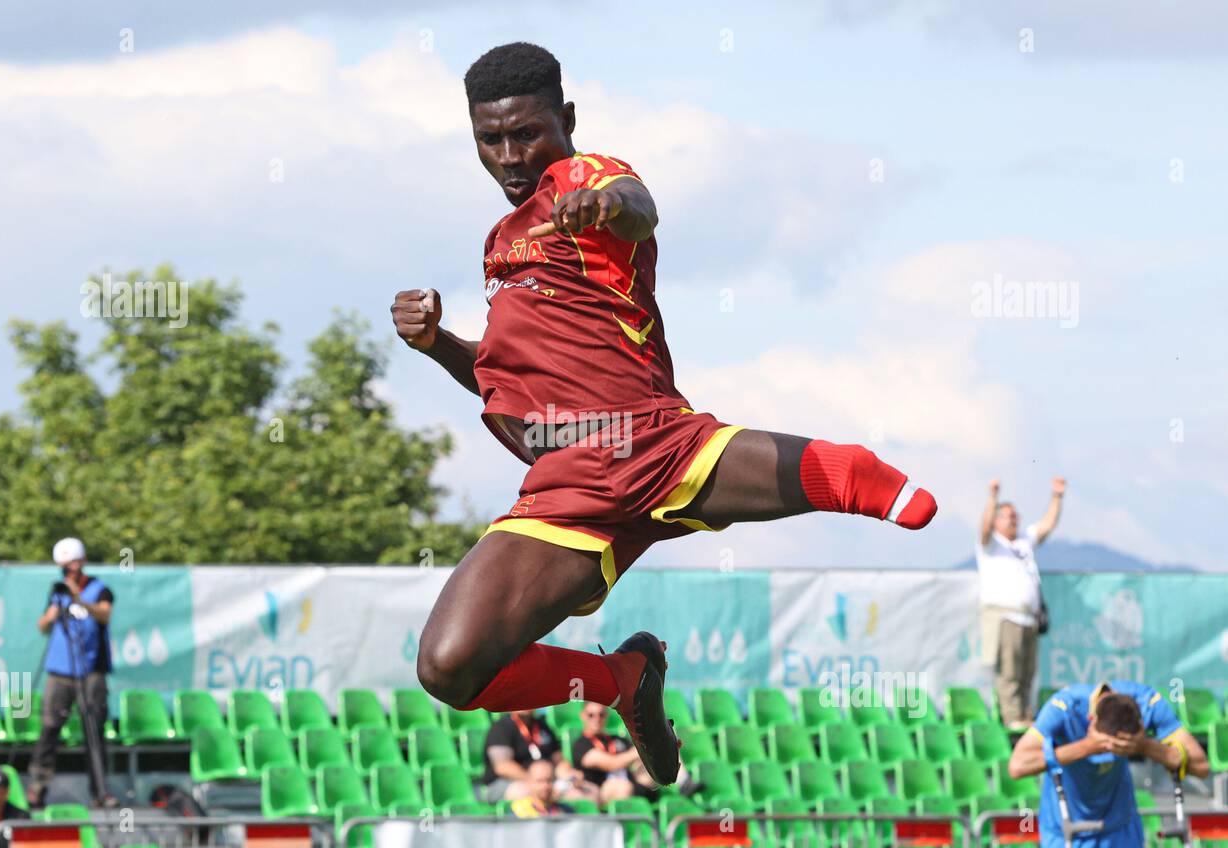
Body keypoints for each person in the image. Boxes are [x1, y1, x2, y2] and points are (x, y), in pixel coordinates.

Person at [390, 41, 937, 788]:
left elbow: (640, 211)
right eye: (492, 139)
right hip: (568, 480)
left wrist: (606, 205)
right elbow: (503, 388)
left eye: (528, 133)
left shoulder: (585, 179)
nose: (512, 155)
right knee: (449, 667)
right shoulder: (500, 245)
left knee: (814, 476)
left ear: (567, 120)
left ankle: (849, 472)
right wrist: (436, 345)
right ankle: (620, 680)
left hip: (648, 443)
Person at [1008, 681, 1209, 848]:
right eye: (1107, 748)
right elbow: (1017, 766)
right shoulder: (1063, 706)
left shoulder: (1148, 702)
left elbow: (1201, 766)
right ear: (1090, 720)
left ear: (1141, 725)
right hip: (1066, 827)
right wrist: (1088, 746)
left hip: (1120, 825)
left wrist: (1145, 746)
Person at [28, 537, 117, 808]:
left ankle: (100, 792)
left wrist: (80, 601)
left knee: (93, 731)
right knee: (49, 729)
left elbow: (104, 615)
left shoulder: (99, 589)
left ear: (83, 563)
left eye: (74, 565)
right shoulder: (57, 591)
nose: (70, 572)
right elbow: (42, 626)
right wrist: (52, 614)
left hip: (90, 670)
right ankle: (38, 787)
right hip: (60, 671)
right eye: (65, 567)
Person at [977, 477, 1064, 729]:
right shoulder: (992, 544)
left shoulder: (1024, 541)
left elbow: (1047, 525)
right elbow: (983, 528)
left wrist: (1057, 496)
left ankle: (1026, 718)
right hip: (1006, 618)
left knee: (1027, 675)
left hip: (1029, 619)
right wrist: (992, 497)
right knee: (1009, 674)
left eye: (1016, 515)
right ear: (996, 519)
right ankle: (1013, 720)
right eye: (1007, 516)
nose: (1014, 519)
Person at [479, 710, 595, 803]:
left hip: (545, 782)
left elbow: (559, 762)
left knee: (586, 793)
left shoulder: (543, 726)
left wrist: (570, 777)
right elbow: (503, 767)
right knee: (525, 793)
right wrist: (536, 782)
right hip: (506, 783)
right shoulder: (502, 727)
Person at [570, 703, 657, 806]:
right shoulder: (581, 744)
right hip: (601, 790)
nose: (597, 718)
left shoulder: (618, 739)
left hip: (629, 783)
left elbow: (637, 763)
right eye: (591, 715)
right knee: (623, 787)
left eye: (601, 714)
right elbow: (611, 764)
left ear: (606, 715)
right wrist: (642, 749)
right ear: (583, 716)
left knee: (654, 778)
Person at [509, 759, 573, 818]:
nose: (545, 785)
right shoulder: (518, 810)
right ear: (529, 782)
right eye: (539, 781)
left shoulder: (565, 810)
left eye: (549, 780)